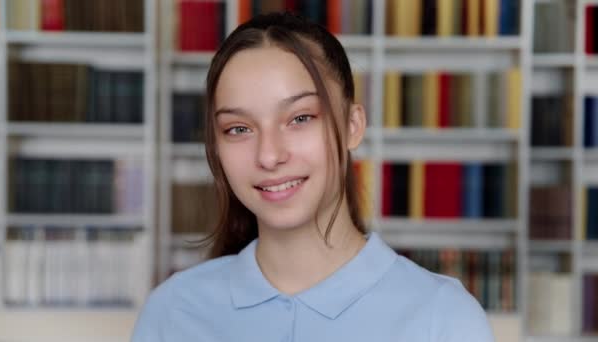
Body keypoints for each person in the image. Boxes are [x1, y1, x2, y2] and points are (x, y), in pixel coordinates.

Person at [132, 12, 494, 342]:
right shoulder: (173, 312)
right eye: (239, 128)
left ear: (353, 126)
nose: (269, 155)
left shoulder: (444, 318)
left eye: (300, 118)